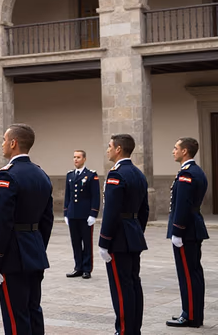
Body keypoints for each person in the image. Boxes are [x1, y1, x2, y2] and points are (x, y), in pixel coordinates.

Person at [0, 124, 54, 335]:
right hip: (34, 250)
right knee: (33, 309)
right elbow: (47, 219)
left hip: (12, 256)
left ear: (13, 143)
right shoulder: (41, 174)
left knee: (15, 316)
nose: (2, 144)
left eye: (4, 140)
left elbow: (2, 221)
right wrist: (38, 246)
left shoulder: (7, 175)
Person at [98, 134, 149, 335]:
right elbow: (144, 210)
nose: (108, 150)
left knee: (121, 288)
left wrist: (104, 241)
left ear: (119, 149)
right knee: (134, 283)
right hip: (133, 234)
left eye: (110, 146)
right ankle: (134, 328)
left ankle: (125, 330)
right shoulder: (138, 173)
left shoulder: (116, 174)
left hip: (118, 238)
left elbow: (111, 211)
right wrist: (137, 231)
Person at [166, 137, 208, 328]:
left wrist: (177, 231)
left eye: (175, 148)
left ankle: (190, 316)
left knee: (188, 274)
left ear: (185, 152)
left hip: (187, 231)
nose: (173, 151)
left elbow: (182, 205)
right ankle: (192, 313)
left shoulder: (187, 174)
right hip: (192, 228)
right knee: (193, 273)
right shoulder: (195, 171)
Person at [63, 150, 100, 279]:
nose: (76, 160)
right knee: (75, 242)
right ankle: (78, 267)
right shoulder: (70, 175)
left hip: (85, 215)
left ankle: (87, 268)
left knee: (87, 242)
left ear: (84, 159)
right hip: (73, 213)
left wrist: (93, 214)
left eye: (78, 157)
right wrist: (66, 213)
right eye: (74, 157)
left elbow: (95, 196)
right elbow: (68, 195)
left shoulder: (91, 175)